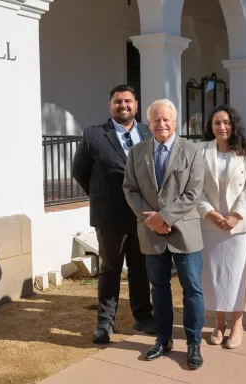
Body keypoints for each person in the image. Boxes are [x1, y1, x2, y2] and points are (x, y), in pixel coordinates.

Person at [123, 99, 205, 370]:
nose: (161, 124)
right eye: (156, 119)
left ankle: (194, 343)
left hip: (185, 232)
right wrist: (152, 220)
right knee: (158, 288)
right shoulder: (137, 152)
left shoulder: (192, 151)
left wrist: (165, 218)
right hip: (151, 233)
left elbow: (193, 192)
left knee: (192, 289)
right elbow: (130, 190)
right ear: (149, 122)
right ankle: (163, 338)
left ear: (175, 121)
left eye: (166, 119)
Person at [72, 84, 154, 344]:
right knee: (110, 269)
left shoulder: (149, 133)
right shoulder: (93, 135)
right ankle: (105, 322)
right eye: (118, 102)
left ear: (136, 105)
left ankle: (143, 316)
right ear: (110, 106)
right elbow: (80, 172)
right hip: (110, 216)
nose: (124, 106)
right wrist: (101, 195)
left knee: (140, 268)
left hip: (142, 216)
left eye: (128, 101)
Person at [197, 105, 246, 349]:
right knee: (213, 274)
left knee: (237, 275)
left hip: (239, 226)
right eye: (216, 123)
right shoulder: (200, 150)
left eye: (226, 122)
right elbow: (195, 188)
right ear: (210, 126)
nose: (222, 127)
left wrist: (236, 215)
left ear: (233, 125)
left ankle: (237, 324)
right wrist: (210, 213)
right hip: (211, 225)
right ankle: (219, 323)